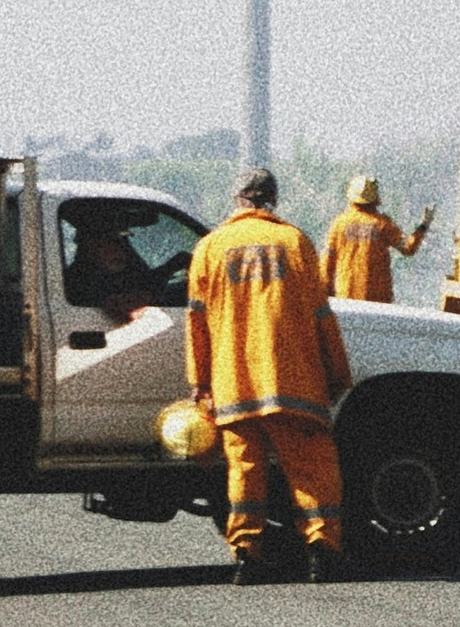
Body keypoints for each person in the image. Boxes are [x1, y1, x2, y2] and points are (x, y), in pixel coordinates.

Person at [185, 168, 356, 584]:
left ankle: (246, 554)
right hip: (292, 383)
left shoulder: (209, 248)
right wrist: (337, 373)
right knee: (310, 467)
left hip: (234, 383)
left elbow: (197, 322)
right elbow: (321, 317)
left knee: (244, 469)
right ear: (272, 200)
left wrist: (200, 382)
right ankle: (321, 550)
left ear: (237, 199)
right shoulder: (294, 242)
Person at [324, 174, 433, 304]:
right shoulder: (382, 224)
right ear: (375, 199)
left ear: (351, 198)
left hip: (346, 297)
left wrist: (326, 295)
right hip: (377, 301)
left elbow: (326, 263)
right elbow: (408, 248)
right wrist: (423, 225)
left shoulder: (339, 224)